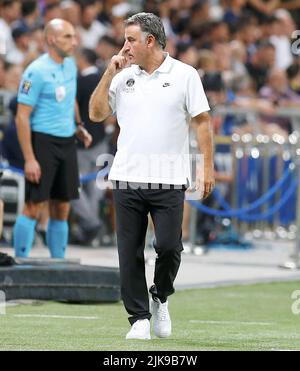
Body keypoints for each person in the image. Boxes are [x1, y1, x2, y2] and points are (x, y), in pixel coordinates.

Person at [89, 13, 214, 340]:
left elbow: (202, 122)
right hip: (127, 177)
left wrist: (207, 166)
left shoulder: (185, 74)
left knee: (170, 246)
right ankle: (139, 318)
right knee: (128, 252)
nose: (125, 46)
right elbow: (96, 113)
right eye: (124, 39)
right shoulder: (121, 75)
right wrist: (109, 72)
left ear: (150, 41)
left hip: (170, 178)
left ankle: (160, 294)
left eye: (130, 39)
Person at [13, 18, 92, 259]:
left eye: (74, 36)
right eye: (68, 36)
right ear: (51, 39)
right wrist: (29, 159)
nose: (74, 41)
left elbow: (71, 99)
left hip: (67, 142)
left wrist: (78, 126)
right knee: (34, 206)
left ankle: (59, 263)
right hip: (43, 142)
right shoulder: (35, 71)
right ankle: (19, 263)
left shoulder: (70, 66)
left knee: (62, 205)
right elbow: (21, 118)